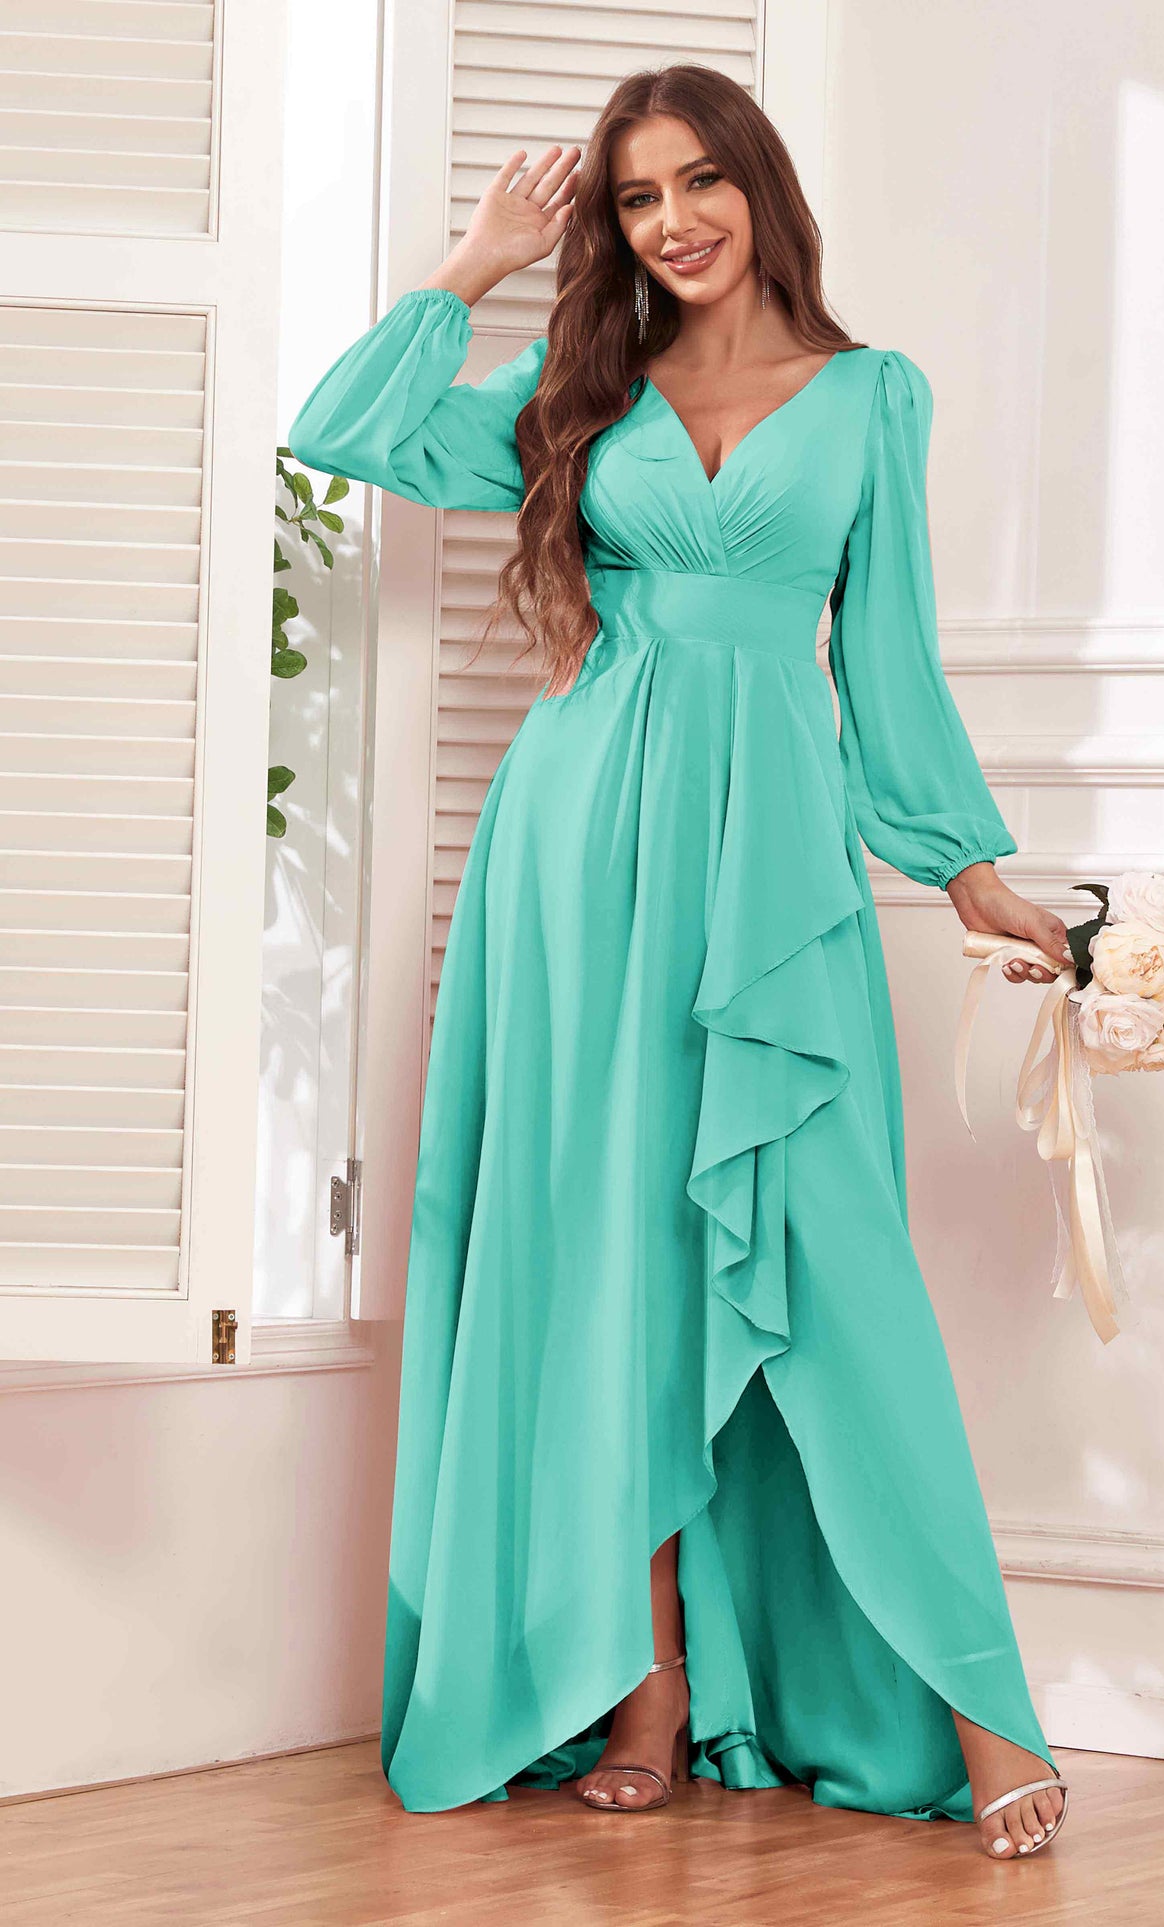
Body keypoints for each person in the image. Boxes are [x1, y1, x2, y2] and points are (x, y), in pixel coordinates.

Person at [289, 61, 1073, 1859]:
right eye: (637, 198)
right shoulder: (577, 392)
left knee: (837, 1274)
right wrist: (477, 261)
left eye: (699, 182)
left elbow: (888, 660)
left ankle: (980, 1710)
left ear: (759, 187)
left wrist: (968, 876)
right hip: (576, 854)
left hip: (774, 873)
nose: (672, 223)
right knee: (606, 1268)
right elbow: (344, 428)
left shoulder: (872, 394)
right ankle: (641, 1689)